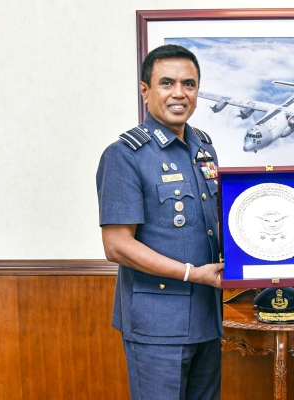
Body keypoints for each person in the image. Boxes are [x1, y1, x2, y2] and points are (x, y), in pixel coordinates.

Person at [96, 44, 223, 400]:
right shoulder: (125, 155)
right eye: (167, 83)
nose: (179, 93)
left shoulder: (204, 149)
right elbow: (117, 246)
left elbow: (218, 224)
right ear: (145, 90)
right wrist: (191, 273)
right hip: (157, 324)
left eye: (189, 84)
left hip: (208, 316)